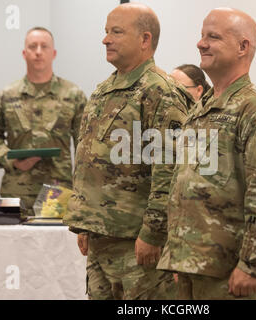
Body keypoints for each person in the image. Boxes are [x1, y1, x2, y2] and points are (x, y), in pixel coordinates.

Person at [157, 8, 256, 300]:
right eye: (202, 35)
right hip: (189, 265)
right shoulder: (202, 106)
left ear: (243, 47)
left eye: (212, 37)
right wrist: (178, 251)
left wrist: (253, 266)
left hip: (228, 274)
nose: (200, 43)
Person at [63, 3, 190, 300]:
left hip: (137, 244)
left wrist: (153, 233)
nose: (105, 39)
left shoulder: (160, 92)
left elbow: (169, 171)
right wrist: (86, 223)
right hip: (101, 239)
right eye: (106, 32)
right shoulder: (103, 89)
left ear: (145, 39)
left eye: (116, 32)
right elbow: (90, 161)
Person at [0, 27, 87, 218]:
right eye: (32, 46)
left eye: (44, 46)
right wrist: (10, 158)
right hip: (16, 193)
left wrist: (84, 192)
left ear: (53, 53)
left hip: (59, 192)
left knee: (57, 247)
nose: (38, 51)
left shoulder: (73, 95)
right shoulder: (6, 95)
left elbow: (86, 145)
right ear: (24, 53)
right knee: (12, 247)